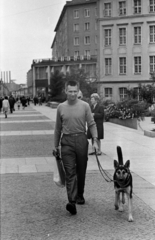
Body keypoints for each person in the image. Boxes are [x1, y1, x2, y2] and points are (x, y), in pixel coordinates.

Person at [54, 80, 98, 215]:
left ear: (78, 91)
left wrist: (95, 141)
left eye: (75, 91)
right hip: (66, 141)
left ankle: (80, 194)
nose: (72, 94)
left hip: (81, 140)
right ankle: (71, 202)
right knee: (70, 172)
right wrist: (56, 146)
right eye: (70, 91)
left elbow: (91, 124)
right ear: (65, 91)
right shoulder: (61, 107)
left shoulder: (85, 106)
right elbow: (57, 128)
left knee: (81, 170)